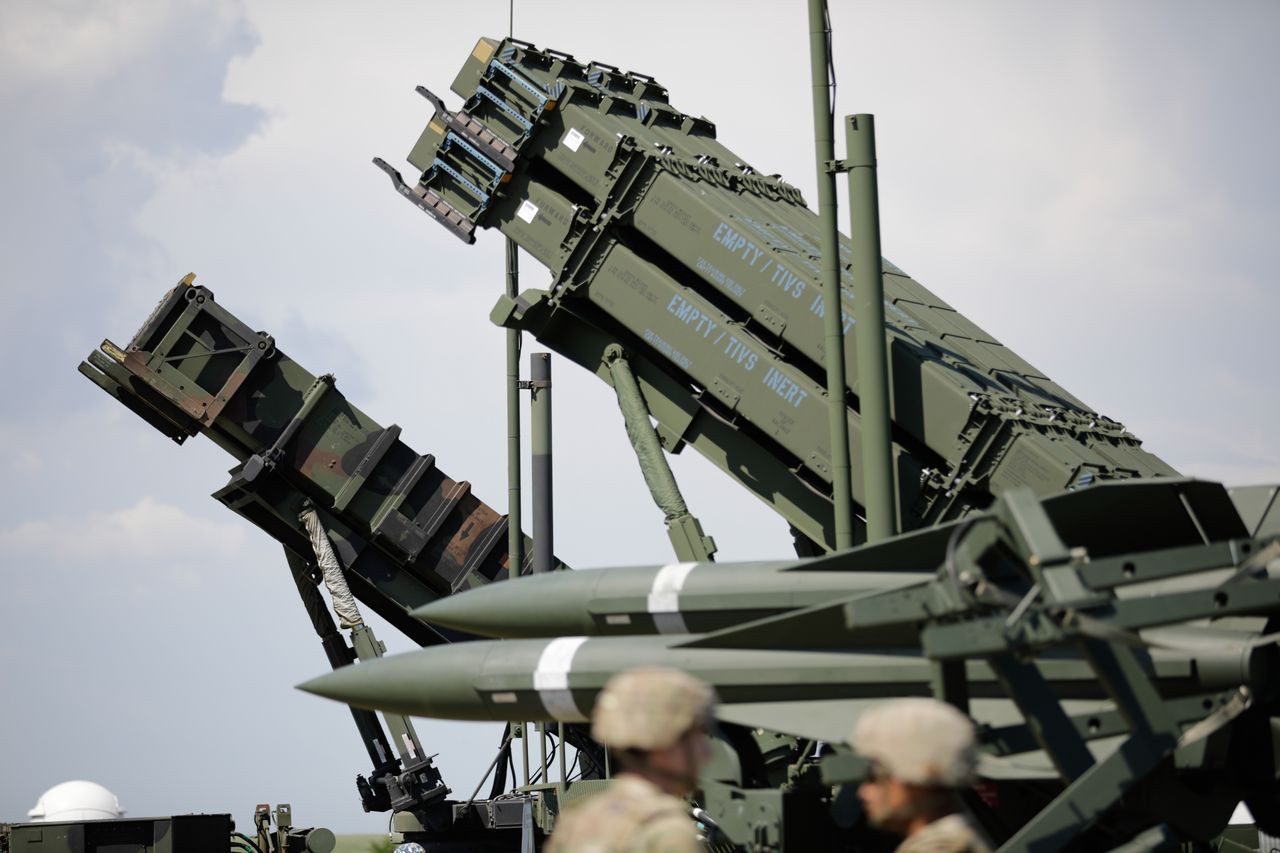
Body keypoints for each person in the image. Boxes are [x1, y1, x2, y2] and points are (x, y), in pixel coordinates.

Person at [545, 666, 714, 853]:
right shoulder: (667, 832)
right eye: (695, 738)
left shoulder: (576, 822)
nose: (707, 752)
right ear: (664, 744)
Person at [852, 697, 993, 853]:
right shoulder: (955, 839)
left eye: (874, 778)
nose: (863, 792)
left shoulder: (940, 848)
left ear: (915, 775)